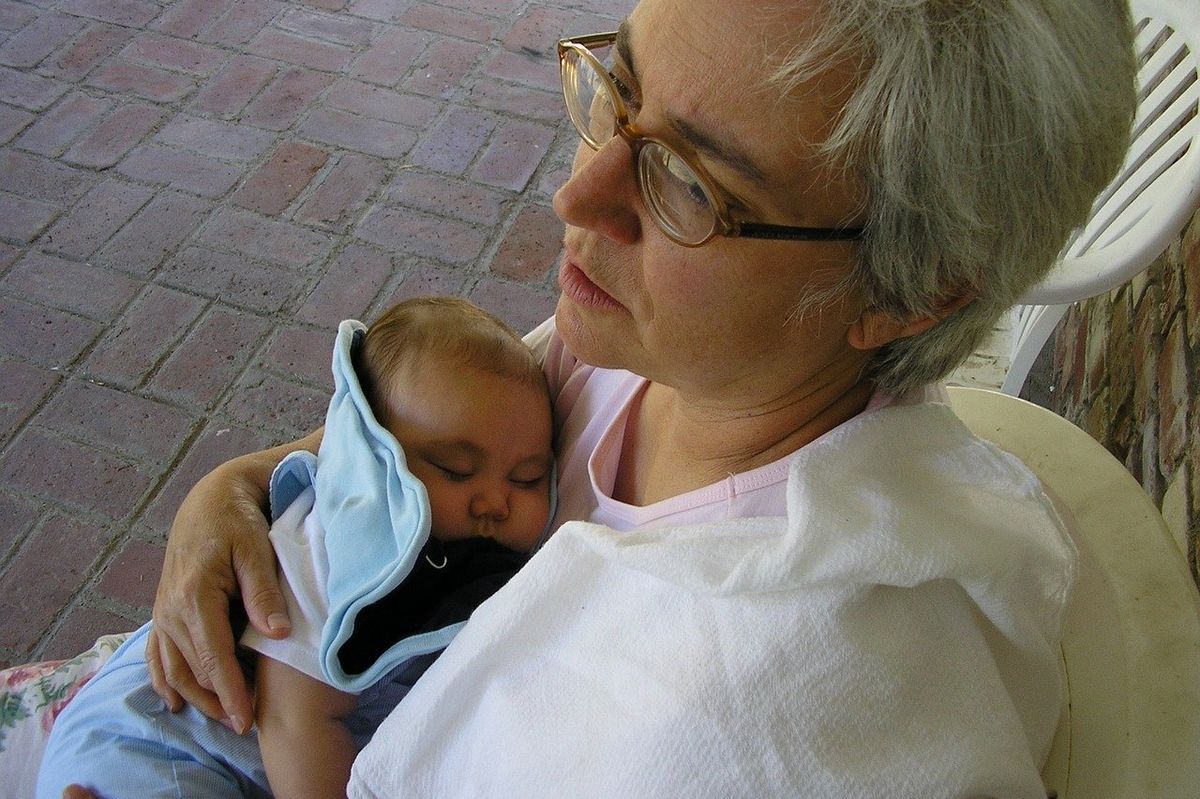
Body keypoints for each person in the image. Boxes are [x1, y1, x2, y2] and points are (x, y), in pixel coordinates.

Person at [26, 0, 1138, 795]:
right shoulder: (659, 359)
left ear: (906, 294)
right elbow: (401, 456)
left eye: (692, 184)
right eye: (622, 88)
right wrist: (229, 491)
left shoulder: (768, 725)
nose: (578, 187)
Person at [36, 297, 555, 799]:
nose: (494, 501)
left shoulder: (458, 533)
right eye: (454, 470)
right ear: (374, 456)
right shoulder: (339, 551)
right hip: (154, 739)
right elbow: (293, 718)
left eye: (528, 478)